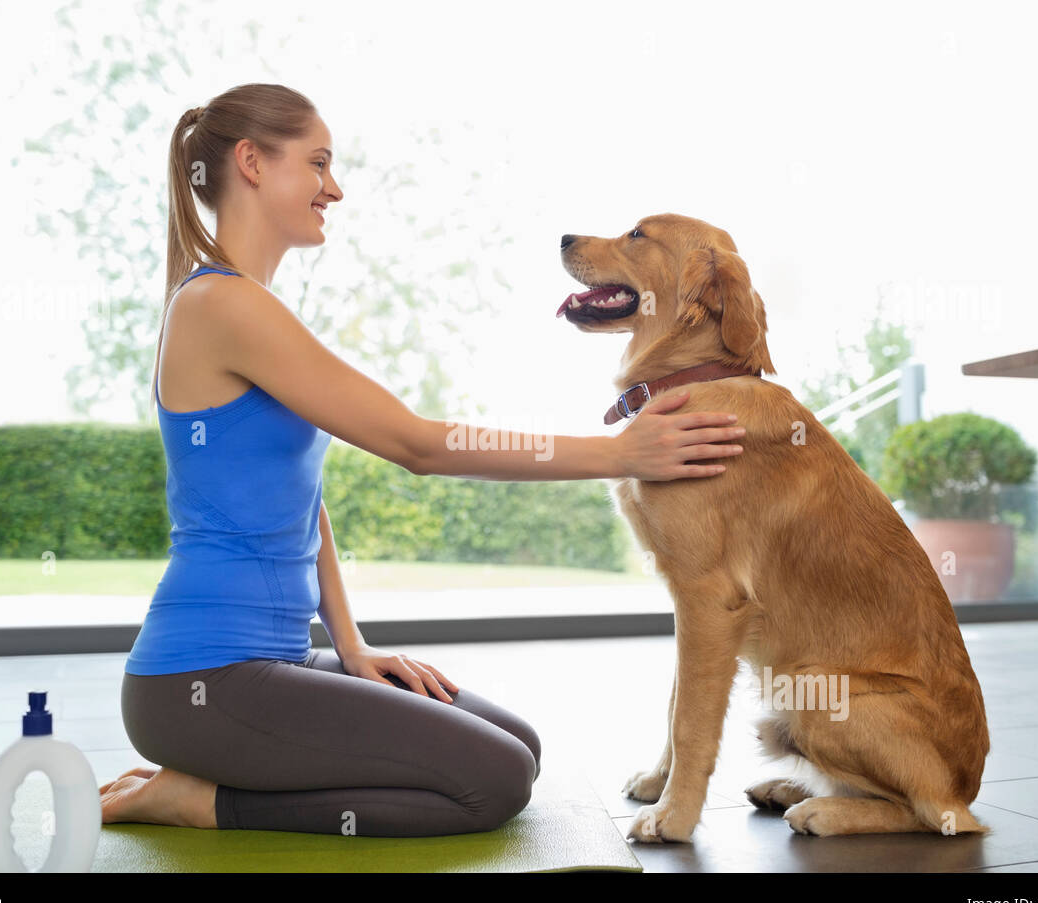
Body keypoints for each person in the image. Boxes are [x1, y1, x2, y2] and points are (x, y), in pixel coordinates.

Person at [100, 82, 747, 837]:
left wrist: (350, 646)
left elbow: (300, 500)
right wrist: (616, 452)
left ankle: (225, 764)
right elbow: (418, 444)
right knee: (493, 782)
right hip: (198, 680)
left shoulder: (254, 306)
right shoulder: (220, 306)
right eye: (316, 164)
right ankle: (201, 800)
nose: (333, 188)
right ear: (250, 162)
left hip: (274, 665)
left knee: (521, 749)